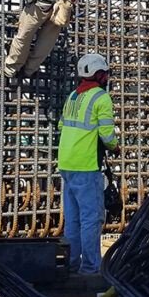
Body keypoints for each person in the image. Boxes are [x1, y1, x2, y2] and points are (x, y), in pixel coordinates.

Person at [57, 53, 120, 273]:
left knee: (72, 220)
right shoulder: (101, 98)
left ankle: (72, 266)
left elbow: (62, 126)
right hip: (86, 166)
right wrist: (115, 148)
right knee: (91, 219)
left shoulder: (73, 96)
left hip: (66, 164)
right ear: (99, 74)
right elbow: (107, 134)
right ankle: (91, 269)